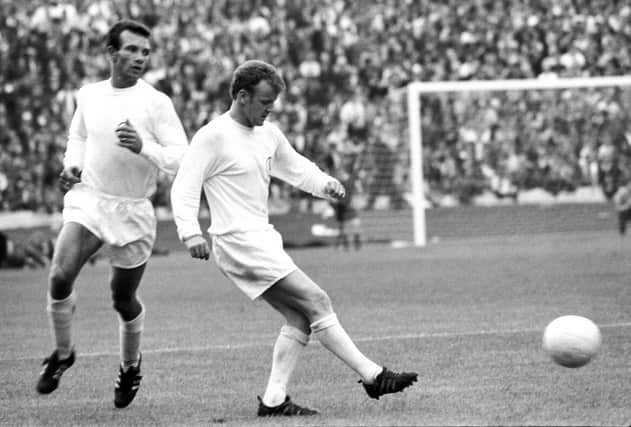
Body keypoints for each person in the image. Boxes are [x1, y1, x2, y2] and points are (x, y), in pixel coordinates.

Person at [170, 60, 417, 417]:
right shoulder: (212, 136)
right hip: (238, 241)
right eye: (265, 102)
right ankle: (373, 375)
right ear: (242, 96)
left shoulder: (268, 134)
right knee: (318, 299)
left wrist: (325, 184)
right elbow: (185, 186)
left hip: (261, 239)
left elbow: (296, 167)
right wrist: (189, 231)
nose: (270, 110)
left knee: (301, 318)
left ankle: (273, 400)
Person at [35, 19, 188, 409]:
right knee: (59, 275)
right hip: (90, 199)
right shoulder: (89, 95)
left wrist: (143, 149)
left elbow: (181, 158)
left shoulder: (156, 103)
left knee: (122, 299)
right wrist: (73, 165)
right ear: (111, 53)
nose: (140, 57)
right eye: (132, 49)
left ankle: (130, 365)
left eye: (145, 52)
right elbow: (79, 136)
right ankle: (64, 352)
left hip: (134, 209)